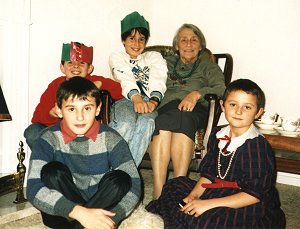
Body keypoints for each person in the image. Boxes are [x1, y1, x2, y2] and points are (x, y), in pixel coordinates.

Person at [146, 79, 286, 228]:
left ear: (258, 113)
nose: (238, 111)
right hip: (216, 190)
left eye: (247, 107)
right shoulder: (218, 134)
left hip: (244, 199)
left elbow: (255, 194)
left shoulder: (257, 146)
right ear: (222, 106)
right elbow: (208, 174)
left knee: (208, 221)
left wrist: (207, 205)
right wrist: (194, 196)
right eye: (233, 105)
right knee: (174, 185)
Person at [26, 76, 141, 229]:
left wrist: (111, 219)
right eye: (71, 109)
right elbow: (33, 188)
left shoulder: (111, 138)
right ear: (59, 110)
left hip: (101, 203)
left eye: (87, 108)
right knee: (51, 172)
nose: (80, 117)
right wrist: (79, 213)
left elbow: (135, 185)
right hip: (63, 212)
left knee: (121, 179)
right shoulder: (47, 138)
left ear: (98, 109)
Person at [149, 23, 226, 199]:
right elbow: (148, 79)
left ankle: (179, 186)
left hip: (195, 109)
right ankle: (159, 191)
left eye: (194, 40)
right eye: (183, 40)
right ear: (176, 46)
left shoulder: (209, 67)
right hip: (167, 107)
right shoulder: (164, 64)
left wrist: (197, 94)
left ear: (201, 46)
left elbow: (221, 89)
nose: (189, 44)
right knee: (165, 121)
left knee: (182, 118)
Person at [24, 41, 123, 150]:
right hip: (57, 134)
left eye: (82, 63)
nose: (76, 66)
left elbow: (122, 90)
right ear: (62, 67)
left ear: (89, 68)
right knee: (32, 131)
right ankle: (52, 163)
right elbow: (37, 117)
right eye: (70, 62)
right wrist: (52, 114)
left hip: (83, 132)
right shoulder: (55, 85)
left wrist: (98, 85)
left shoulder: (95, 80)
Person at [109, 11, 168, 166]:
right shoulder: (117, 56)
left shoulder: (154, 57)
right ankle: (107, 168)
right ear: (123, 40)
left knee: (147, 123)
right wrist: (136, 98)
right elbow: (125, 78)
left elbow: (158, 78)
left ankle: (127, 173)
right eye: (132, 39)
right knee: (125, 124)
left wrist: (154, 101)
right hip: (125, 100)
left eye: (141, 39)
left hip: (149, 102)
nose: (137, 44)